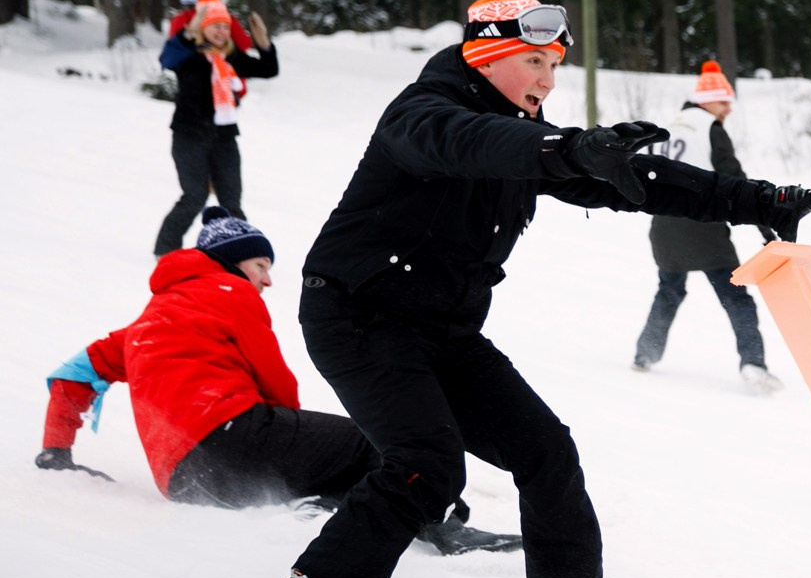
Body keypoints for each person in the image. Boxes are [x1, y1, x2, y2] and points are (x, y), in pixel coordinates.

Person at [235, 0, 811, 578]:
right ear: (485, 56)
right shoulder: (424, 112)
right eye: (536, 62)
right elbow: (472, 143)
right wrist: (566, 151)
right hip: (359, 316)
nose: (548, 80)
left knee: (546, 452)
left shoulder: (528, 139)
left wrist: (755, 197)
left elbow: (640, 182)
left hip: (444, 331)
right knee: (425, 462)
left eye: (556, 66)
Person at [37, 208, 514, 554]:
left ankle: (334, 509)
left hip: (186, 480)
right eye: (261, 266)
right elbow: (274, 376)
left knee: (329, 460)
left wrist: (56, 449)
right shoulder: (229, 292)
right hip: (234, 438)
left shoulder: (143, 325)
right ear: (233, 262)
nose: (266, 281)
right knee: (382, 443)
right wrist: (291, 424)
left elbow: (73, 375)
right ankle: (441, 528)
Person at [632, 60, 780, 391]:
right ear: (708, 100)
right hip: (701, 226)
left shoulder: (669, 126)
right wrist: (767, 230)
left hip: (664, 226)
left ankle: (645, 354)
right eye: (723, 101)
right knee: (736, 297)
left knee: (669, 290)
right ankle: (753, 364)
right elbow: (738, 184)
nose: (727, 108)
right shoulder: (711, 130)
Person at [154, 0, 279, 256]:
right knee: (195, 196)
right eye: (215, 26)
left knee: (231, 201)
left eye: (226, 26)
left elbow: (269, 70)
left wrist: (263, 43)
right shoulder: (187, 55)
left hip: (223, 138)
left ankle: (242, 254)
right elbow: (167, 59)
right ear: (203, 27)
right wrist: (190, 31)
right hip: (189, 136)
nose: (221, 31)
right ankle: (165, 251)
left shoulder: (231, 58)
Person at [159, 0, 252, 69]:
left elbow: (244, 44)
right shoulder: (183, 19)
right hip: (198, 76)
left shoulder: (225, 17)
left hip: (228, 77)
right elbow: (175, 51)